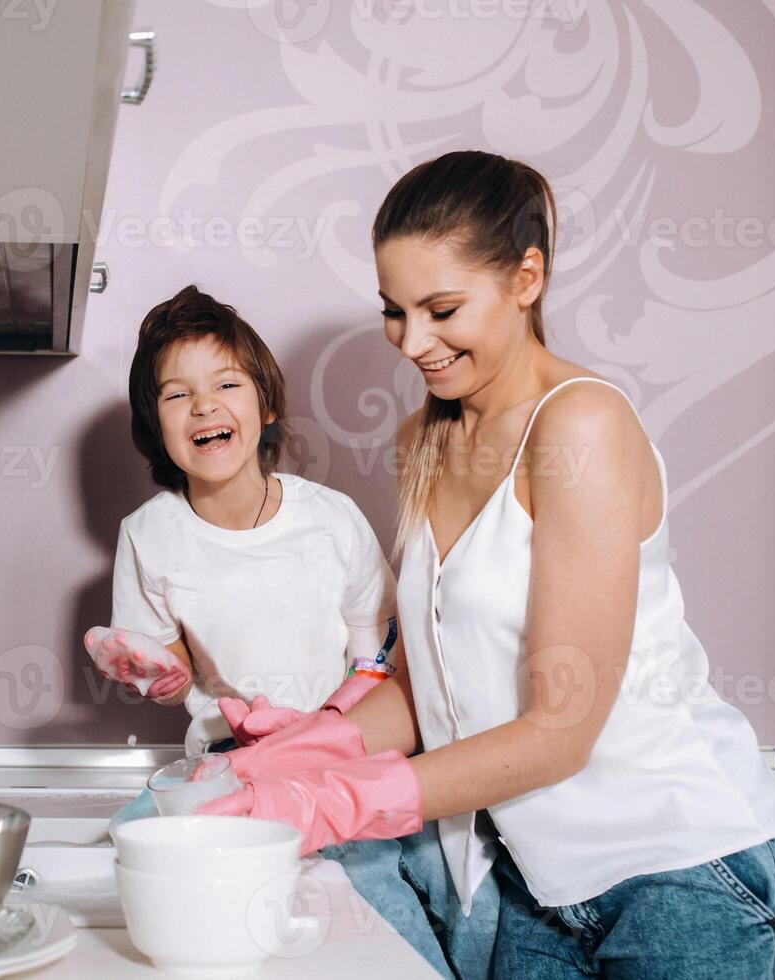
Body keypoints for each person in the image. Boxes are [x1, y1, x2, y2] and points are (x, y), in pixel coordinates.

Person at [202, 150, 775, 978]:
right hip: (542, 886)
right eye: (394, 311)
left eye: (441, 308)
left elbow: (560, 731)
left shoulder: (580, 427)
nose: (412, 342)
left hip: (697, 878)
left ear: (526, 277)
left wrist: (340, 800)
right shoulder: (423, 442)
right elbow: (439, 692)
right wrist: (313, 745)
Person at [83, 285, 498, 979]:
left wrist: (330, 731)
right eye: (176, 395)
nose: (204, 405)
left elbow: (385, 656)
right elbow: (167, 670)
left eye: (225, 384)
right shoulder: (147, 536)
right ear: (155, 426)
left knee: (475, 923)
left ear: (265, 404)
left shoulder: (330, 520)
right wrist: (164, 674)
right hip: (247, 776)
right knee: (387, 934)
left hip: (359, 758)